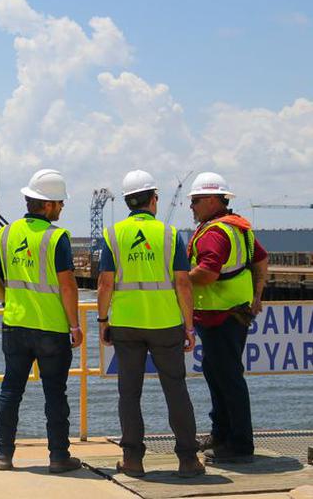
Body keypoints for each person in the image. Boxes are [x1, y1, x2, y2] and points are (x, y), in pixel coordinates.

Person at [97, 170, 204, 478]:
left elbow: (105, 284)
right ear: (154, 199)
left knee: (129, 393)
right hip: (166, 324)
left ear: (129, 201)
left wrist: (103, 321)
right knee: (176, 390)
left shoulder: (113, 235)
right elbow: (183, 284)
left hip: (127, 326)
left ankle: (132, 460)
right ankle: (187, 460)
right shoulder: (170, 235)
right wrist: (188, 325)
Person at [0, 168, 82, 474]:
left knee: (11, 391)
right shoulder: (56, 238)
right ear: (47, 205)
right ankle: (59, 457)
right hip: (50, 329)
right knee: (54, 394)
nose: (62, 207)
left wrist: (7, 299)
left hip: (15, 326)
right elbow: (67, 286)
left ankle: (3, 456)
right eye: (59, 202)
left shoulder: (6, 233)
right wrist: (74, 325)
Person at [187, 172, 268, 464]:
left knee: (227, 378)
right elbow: (261, 258)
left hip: (220, 316)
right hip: (233, 314)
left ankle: (239, 443)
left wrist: (178, 279)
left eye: (195, 201)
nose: (192, 207)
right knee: (219, 374)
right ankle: (221, 433)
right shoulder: (238, 228)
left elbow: (208, 273)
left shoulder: (214, 233)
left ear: (211, 200)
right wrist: (257, 296)